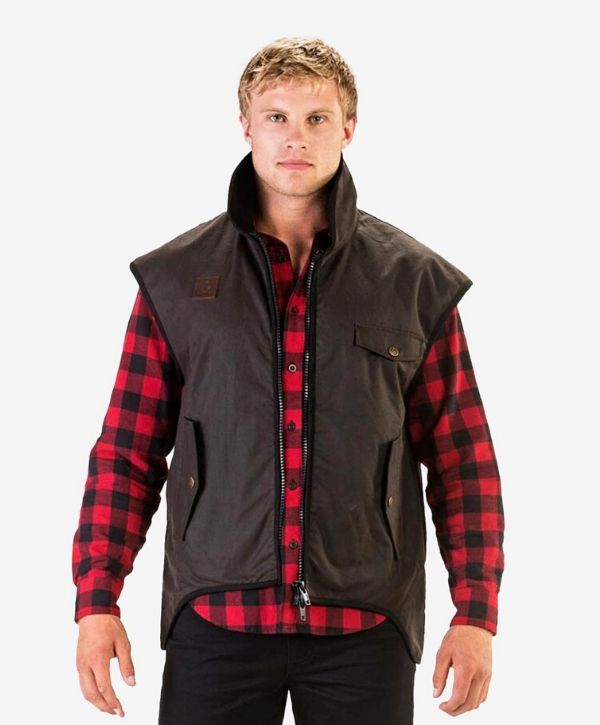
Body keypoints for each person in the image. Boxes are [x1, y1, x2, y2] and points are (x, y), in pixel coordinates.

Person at [72, 36, 504, 724]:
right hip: (217, 618)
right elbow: (127, 451)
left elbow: (463, 460)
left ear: (349, 128)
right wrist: (98, 600)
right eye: (276, 116)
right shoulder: (178, 280)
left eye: (316, 118)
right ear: (246, 126)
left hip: (365, 625)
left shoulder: (412, 281)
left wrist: (475, 613)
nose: (295, 137)